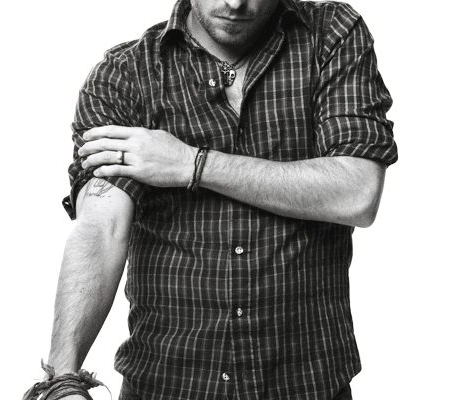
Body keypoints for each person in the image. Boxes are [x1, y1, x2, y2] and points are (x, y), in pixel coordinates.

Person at [36, 0, 398, 399]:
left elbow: (357, 193)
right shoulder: (126, 75)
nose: (235, 3)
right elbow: (101, 227)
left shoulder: (330, 34)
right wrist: (62, 379)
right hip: (166, 386)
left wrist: (192, 164)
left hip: (308, 385)